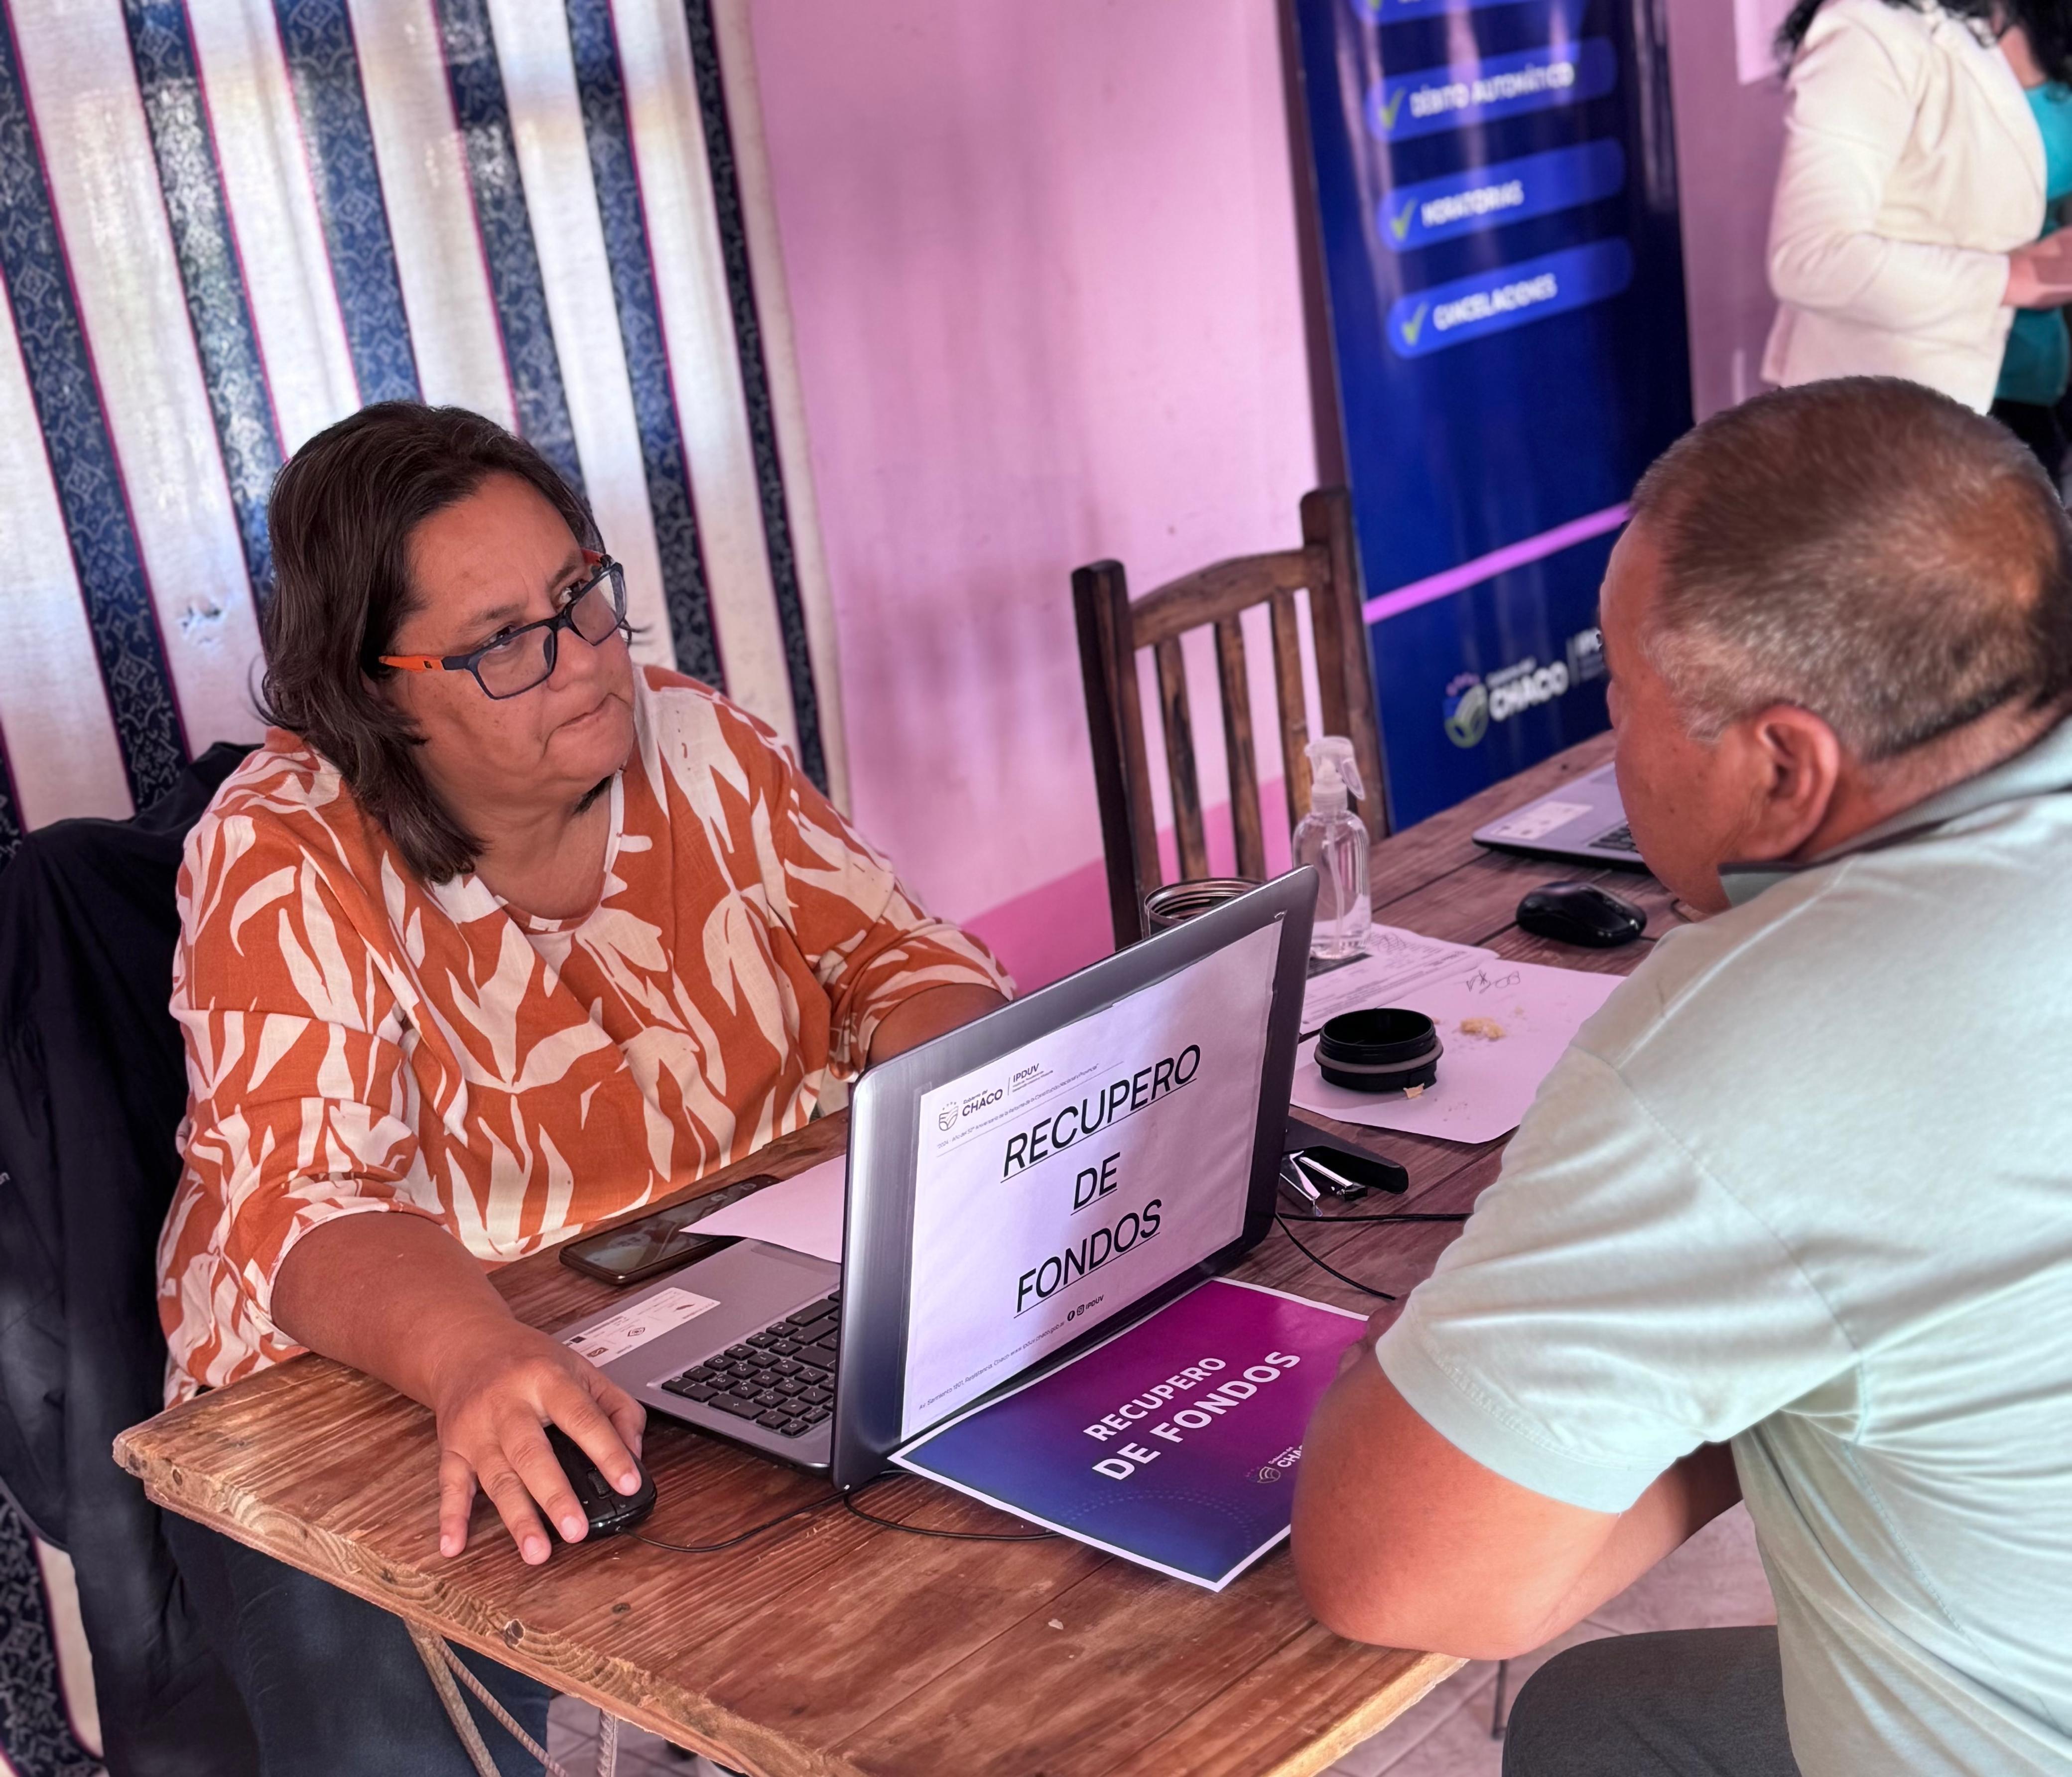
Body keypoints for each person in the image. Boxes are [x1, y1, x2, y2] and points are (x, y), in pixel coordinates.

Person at [156, 403, 1011, 1774]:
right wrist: (471, 1353)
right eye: (503, 640)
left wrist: (947, 1146)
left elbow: (905, 963)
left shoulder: (698, 743)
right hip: (385, 1386)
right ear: (377, 691)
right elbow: (300, 1207)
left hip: (716, 1301)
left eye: (580, 595)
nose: (588, 658)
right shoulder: (283, 854)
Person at [1290, 378, 2072, 1777]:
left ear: (1783, 765)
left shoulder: (1767, 1032)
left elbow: (1405, 1574)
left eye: (1623, 693)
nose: (1614, 741)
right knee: (1600, 1715)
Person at [1765, 0, 2072, 455]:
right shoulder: (1866, 26)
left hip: (2038, 388)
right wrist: (2018, 277)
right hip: (1901, 419)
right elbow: (1809, 259)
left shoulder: (2042, 17)